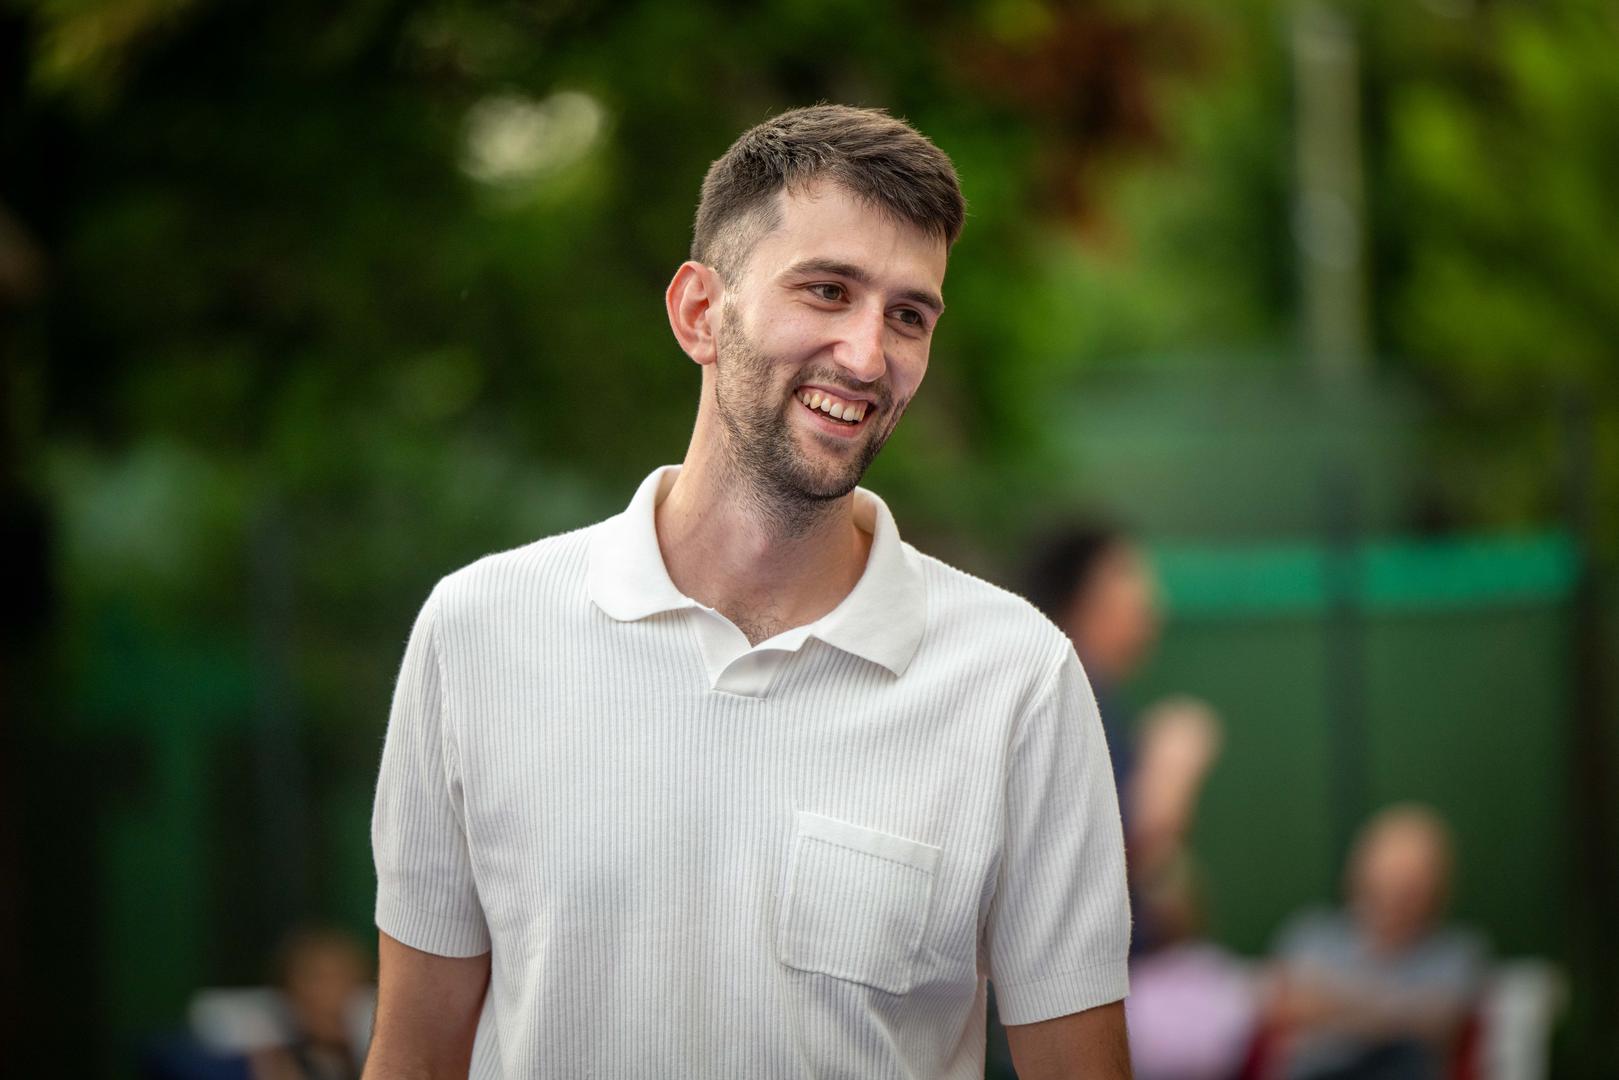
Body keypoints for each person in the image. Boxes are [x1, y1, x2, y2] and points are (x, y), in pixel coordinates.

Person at [364, 105, 1132, 1079]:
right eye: (825, 290)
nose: (866, 355)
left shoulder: (1016, 679)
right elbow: (414, 1059)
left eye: (907, 314)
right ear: (697, 313)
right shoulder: (475, 635)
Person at [1264, 803, 1487, 1080]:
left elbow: (1441, 1023)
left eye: (1413, 880)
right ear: (1360, 871)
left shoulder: (1458, 951)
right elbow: (1288, 1005)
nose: (1398, 890)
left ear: (1438, 885)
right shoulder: (1313, 935)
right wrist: (1399, 1013)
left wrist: (1334, 1005)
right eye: (1390, 873)